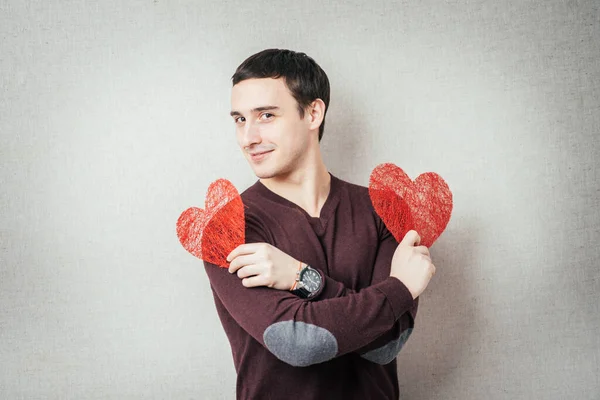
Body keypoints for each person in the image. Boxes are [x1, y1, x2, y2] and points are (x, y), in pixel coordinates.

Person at [203, 48, 436, 400]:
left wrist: (299, 277)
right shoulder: (228, 229)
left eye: (266, 115)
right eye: (239, 119)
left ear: (313, 112)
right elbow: (299, 342)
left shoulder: (383, 209)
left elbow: (385, 345)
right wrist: (400, 288)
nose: (248, 137)